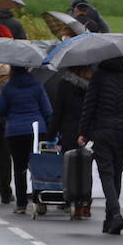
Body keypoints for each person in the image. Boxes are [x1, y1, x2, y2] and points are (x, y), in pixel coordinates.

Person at [79, 56, 123, 234]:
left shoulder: (99, 76)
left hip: (102, 130)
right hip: (122, 131)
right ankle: (109, 219)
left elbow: (89, 105)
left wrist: (84, 131)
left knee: (106, 173)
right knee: (117, 173)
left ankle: (115, 213)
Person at [0, 65, 53, 215]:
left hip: (15, 131)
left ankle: (21, 204)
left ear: (12, 70)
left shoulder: (7, 88)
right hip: (37, 131)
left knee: (19, 168)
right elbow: (48, 110)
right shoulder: (37, 86)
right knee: (39, 167)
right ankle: (40, 201)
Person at [48, 64, 93, 217]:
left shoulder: (64, 85)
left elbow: (58, 111)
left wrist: (51, 134)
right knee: (86, 167)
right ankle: (85, 201)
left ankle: (69, 200)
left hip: (68, 131)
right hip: (87, 131)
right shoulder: (92, 85)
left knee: (68, 167)